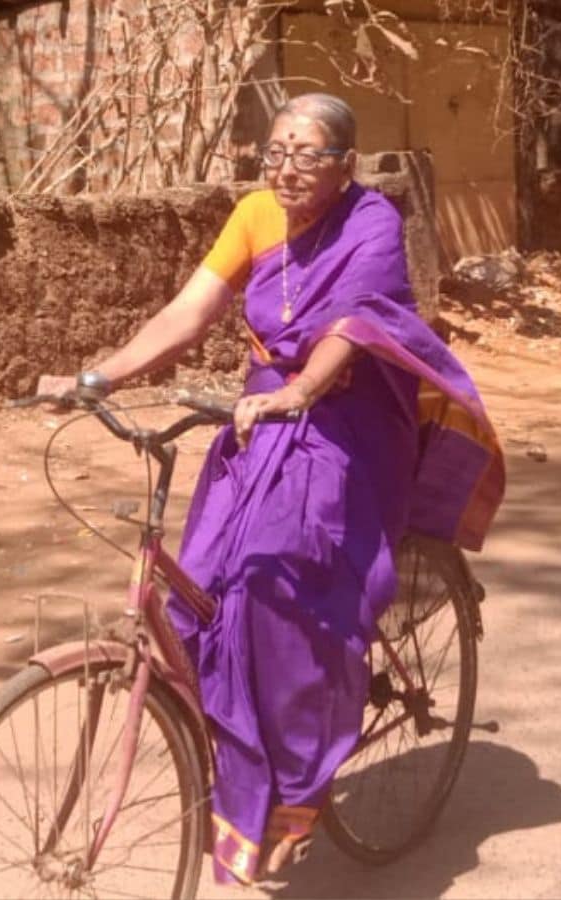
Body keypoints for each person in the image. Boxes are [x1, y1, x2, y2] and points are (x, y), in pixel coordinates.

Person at [61, 93, 505, 885]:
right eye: (275, 152)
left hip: (350, 417)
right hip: (260, 413)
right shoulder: (254, 215)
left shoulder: (373, 221)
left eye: (307, 155)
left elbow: (354, 326)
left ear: (344, 165)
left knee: (277, 582)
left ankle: (298, 790)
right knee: (202, 586)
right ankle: (238, 773)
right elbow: (191, 311)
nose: (286, 168)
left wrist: (299, 394)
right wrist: (95, 376)